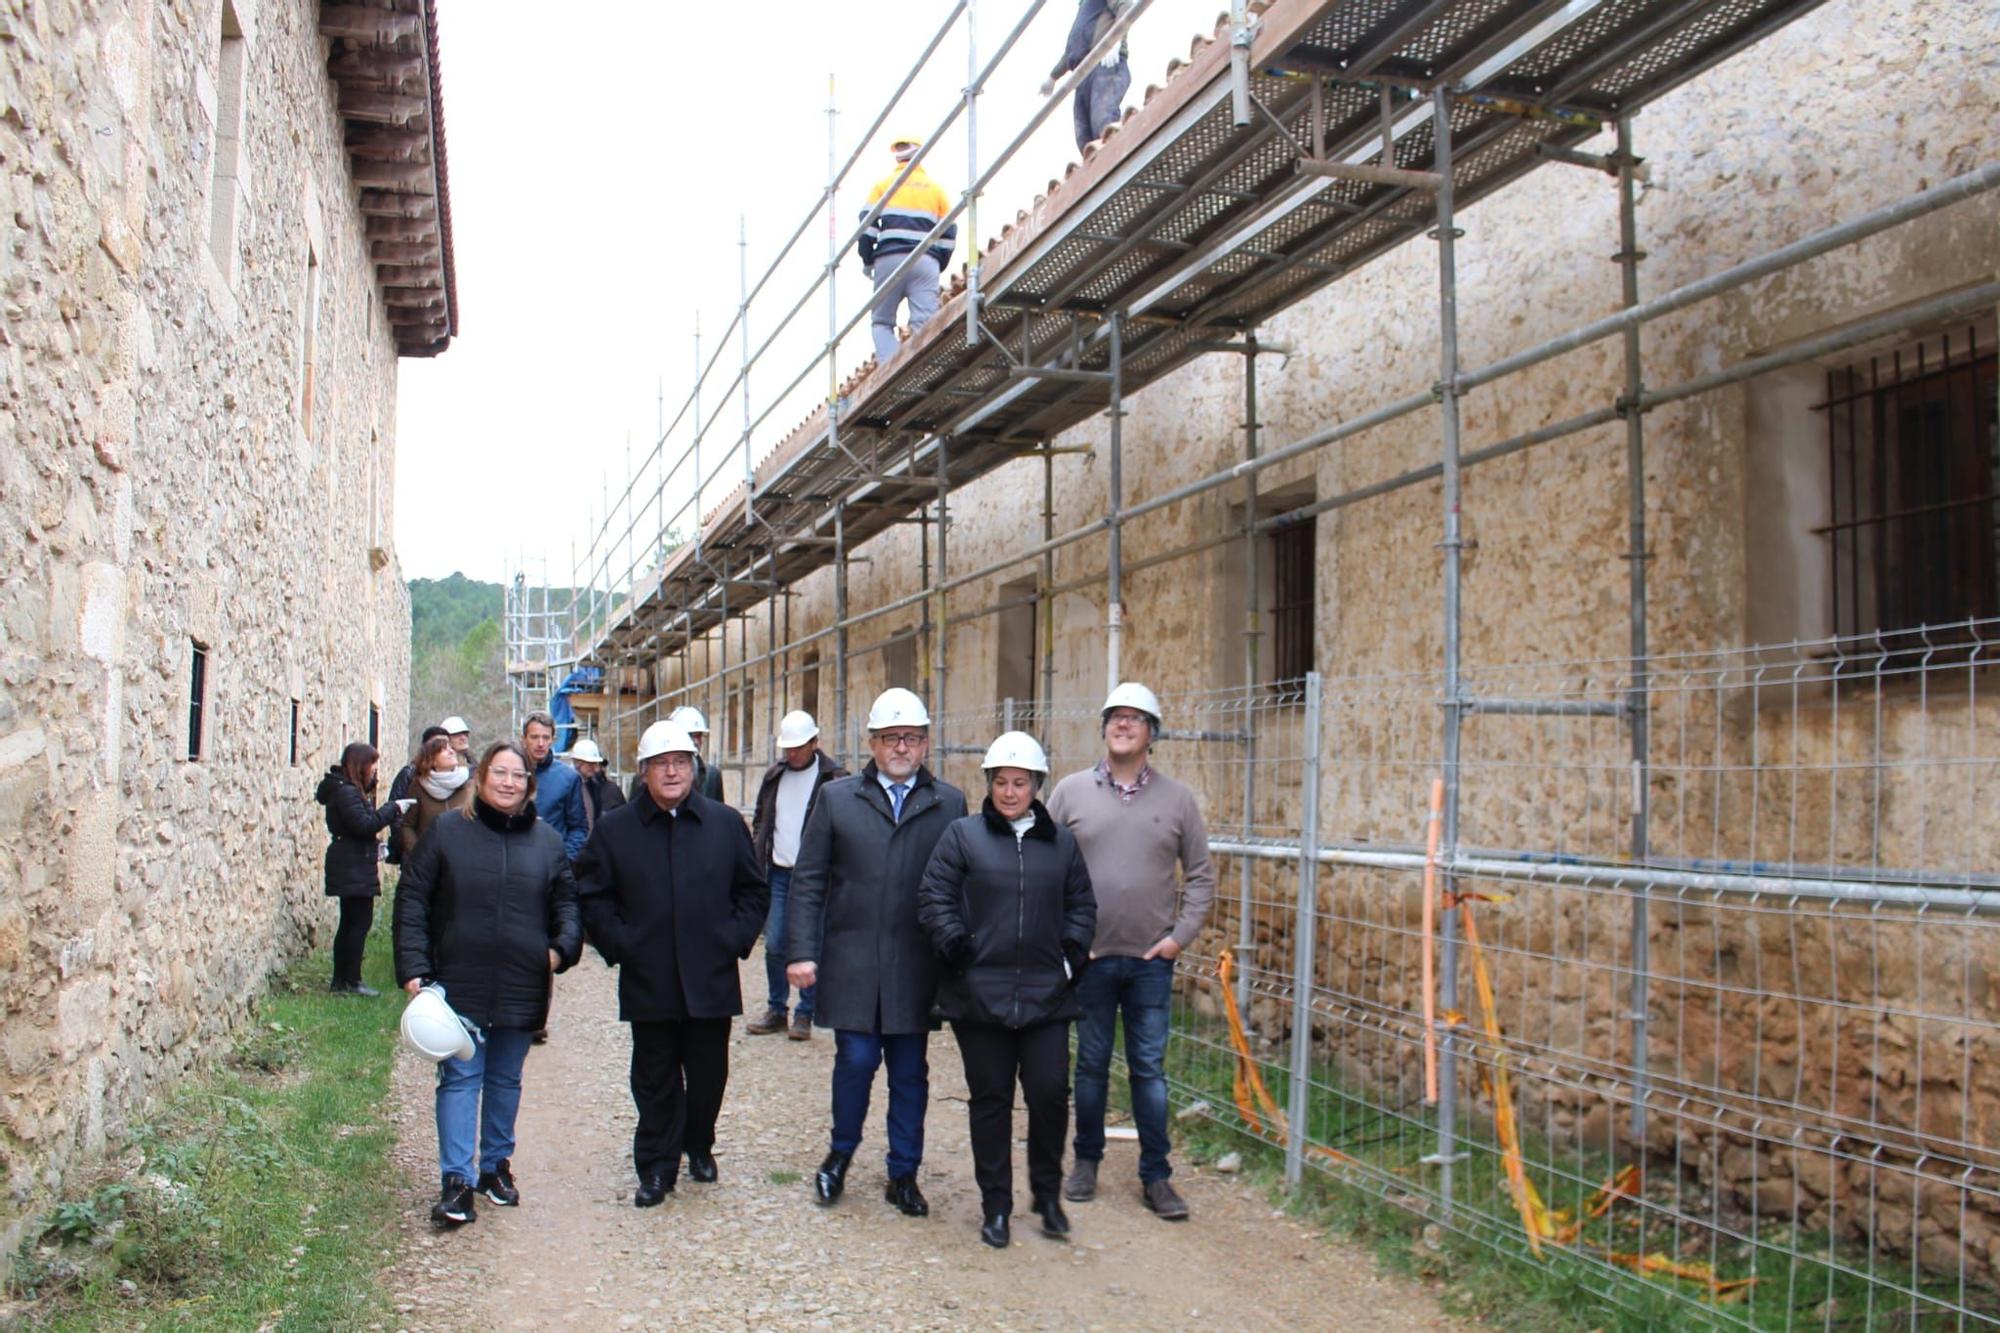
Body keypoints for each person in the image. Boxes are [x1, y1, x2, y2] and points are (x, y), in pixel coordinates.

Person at [786, 687, 966, 1218]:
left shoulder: (949, 804)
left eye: (911, 738)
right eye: (891, 738)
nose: (901, 748)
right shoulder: (839, 798)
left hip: (915, 963)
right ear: (872, 743)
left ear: (927, 743)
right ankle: (839, 1156)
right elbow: (810, 878)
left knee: (911, 1071)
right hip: (854, 958)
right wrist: (801, 949)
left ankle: (903, 1173)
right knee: (856, 1062)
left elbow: (962, 886)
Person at [578, 719, 769, 1207]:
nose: (672, 772)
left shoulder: (724, 824)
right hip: (650, 976)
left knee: (708, 1074)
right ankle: (657, 1166)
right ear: (643, 772)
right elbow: (592, 896)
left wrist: (733, 939)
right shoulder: (615, 830)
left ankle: (699, 1143)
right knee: (654, 1075)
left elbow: (752, 892)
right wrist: (620, 944)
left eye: (680, 763)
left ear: (694, 768)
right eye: (661, 764)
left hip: (710, 974)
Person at [395, 740, 583, 1227]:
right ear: (481, 780)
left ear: (529, 785)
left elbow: (567, 904)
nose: (508, 782)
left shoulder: (546, 842)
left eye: (517, 775)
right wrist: (415, 966)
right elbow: (414, 897)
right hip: (459, 979)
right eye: (499, 773)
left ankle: (495, 1166)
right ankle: (456, 1180)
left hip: (522, 981)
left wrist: (559, 950)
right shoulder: (447, 833)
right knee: (460, 1078)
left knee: (506, 1079)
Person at [919, 732, 1095, 1249]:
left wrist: (1069, 956)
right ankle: (995, 1204)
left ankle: (1048, 1194)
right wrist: (957, 947)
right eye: (1001, 782)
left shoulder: (1061, 843)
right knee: (991, 1100)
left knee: (1047, 1094)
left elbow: (1083, 904)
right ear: (990, 785)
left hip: (1046, 994)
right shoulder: (963, 836)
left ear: (1037, 786)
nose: (1010, 791)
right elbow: (935, 896)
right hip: (981, 995)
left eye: (1020, 783)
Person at [1048, 681, 1214, 1221]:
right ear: (1103, 728)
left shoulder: (1178, 800)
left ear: (1152, 734)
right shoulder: (1070, 793)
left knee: (1149, 1068)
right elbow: (1044, 868)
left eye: (1135, 718)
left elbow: (1202, 876)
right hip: (1091, 960)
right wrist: (1068, 940)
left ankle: (1156, 1176)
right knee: (1091, 1065)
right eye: (1114, 716)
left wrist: (1177, 939)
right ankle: (1086, 1162)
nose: (1123, 725)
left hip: (1149, 963)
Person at [747, 710, 847, 1040]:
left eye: (799, 747)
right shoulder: (775, 775)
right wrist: (761, 845)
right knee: (775, 941)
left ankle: (806, 1012)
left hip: (815, 877)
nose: (792, 753)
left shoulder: (834, 779)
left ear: (815, 743)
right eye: (787, 747)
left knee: (811, 944)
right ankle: (777, 1008)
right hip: (778, 871)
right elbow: (762, 816)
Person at [315, 741, 411, 997]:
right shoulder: (346, 792)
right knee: (357, 922)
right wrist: (394, 808)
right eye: (371, 765)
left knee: (350, 922)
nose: (374, 771)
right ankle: (351, 980)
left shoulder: (346, 790)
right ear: (361, 765)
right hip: (352, 863)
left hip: (353, 860)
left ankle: (342, 981)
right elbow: (363, 824)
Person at [858, 135, 956, 367]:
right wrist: (937, 261)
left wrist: (868, 259)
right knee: (925, 322)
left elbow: (866, 229)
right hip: (926, 260)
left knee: (881, 322)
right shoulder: (936, 189)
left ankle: (892, 368)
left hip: (889, 259)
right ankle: (924, 368)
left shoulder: (883, 186)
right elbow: (949, 233)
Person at [1041, 0, 1132, 153]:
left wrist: (1115, 41)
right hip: (1082, 75)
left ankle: (1119, 158)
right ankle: (1102, 172)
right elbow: (1073, 50)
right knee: (1084, 138)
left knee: (1103, 122)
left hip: (1105, 64)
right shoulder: (1085, 7)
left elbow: (1126, 7)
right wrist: (1053, 77)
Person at [522, 712, 586, 861]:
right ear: (524, 739)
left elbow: (578, 827)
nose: (540, 743)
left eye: (546, 737)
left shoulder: (568, 778)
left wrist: (565, 862)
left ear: (553, 740)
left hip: (551, 864)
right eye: (534, 737)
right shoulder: (511, 774)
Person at [399, 734, 473, 859]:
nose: (451, 751)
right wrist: (418, 853)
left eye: (451, 748)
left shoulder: (470, 785)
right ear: (432, 760)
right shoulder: (418, 787)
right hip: (429, 862)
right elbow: (407, 826)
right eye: (443, 749)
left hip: (463, 860)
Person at [387, 725, 448, 865]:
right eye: (436, 745)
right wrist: (409, 846)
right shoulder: (409, 774)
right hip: (415, 853)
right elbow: (396, 812)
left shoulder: (452, 778)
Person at [566, 737, 625, 835]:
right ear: (577, 763)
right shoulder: (568, 786)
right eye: (590, 764)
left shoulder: (596, 787)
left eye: (595, 763)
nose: (595, 768)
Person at [668, 705, 727, 803]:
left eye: (698, 736)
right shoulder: (654, 775)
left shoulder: (712, 775)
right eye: (690, 735)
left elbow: (719, 814)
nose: (695, 741)